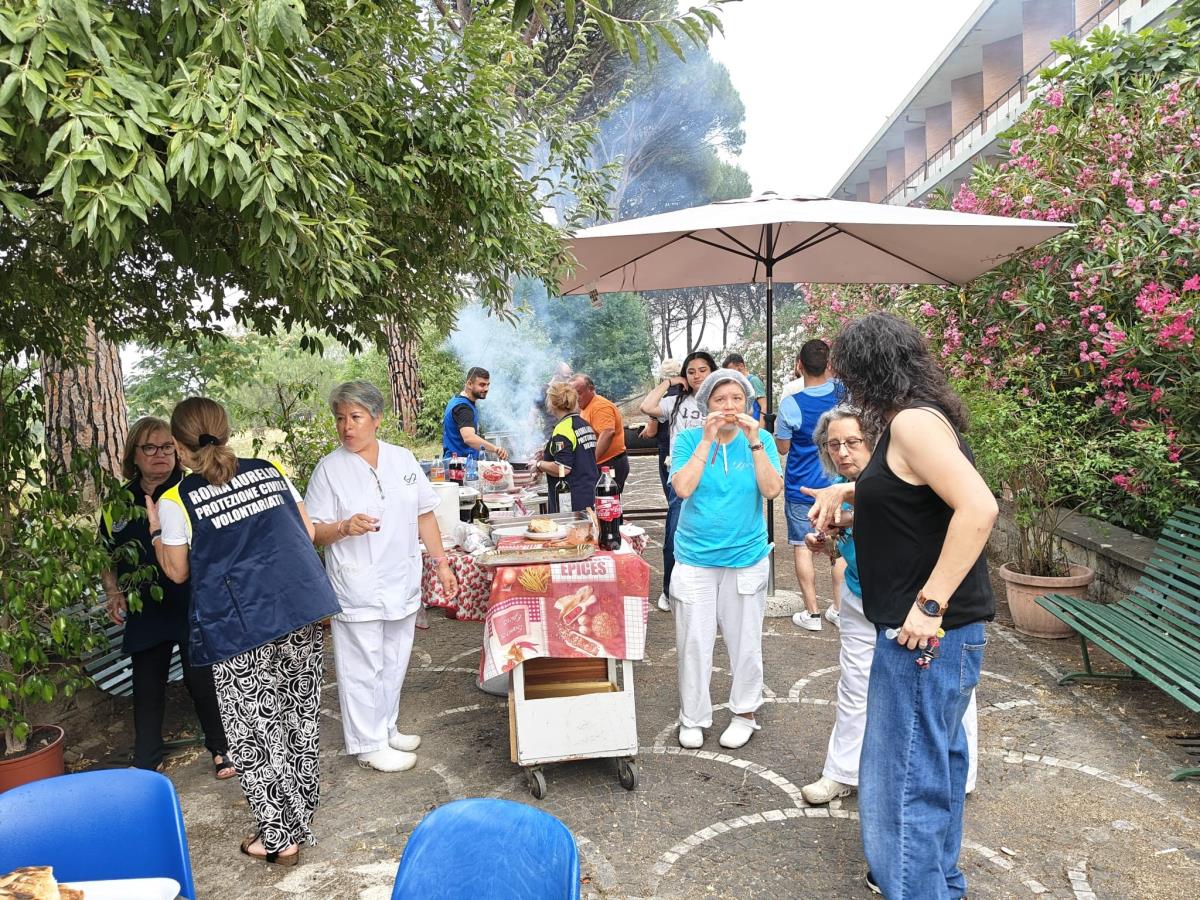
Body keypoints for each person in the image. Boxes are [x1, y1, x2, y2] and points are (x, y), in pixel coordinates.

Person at [806, 312, 998, 899]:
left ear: (866, 370)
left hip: (924, 635)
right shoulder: (914, 418)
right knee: (934, 766)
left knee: (904, 776)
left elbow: (979, 508)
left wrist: (929, 605)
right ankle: (939, 884)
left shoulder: (912, 422)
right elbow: (913, 495)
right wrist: (849, 490)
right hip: (931, 635)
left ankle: (919, 889)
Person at [149, 397, 341, 866]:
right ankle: (298, 818)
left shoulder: (176, 500)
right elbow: (306, 532)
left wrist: (156, 533)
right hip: (296, 608)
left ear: (179, 447)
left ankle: (278, 838)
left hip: (238, 626)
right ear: (227, 431)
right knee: (298, 717)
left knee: (253, 730)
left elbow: (176, 571)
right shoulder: (270, 471)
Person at [798, 405, 978, 808]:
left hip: (918, 606)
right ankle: (842, 772)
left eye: (853, 442)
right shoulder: (839, 485)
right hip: (861, 597)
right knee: (854, 684)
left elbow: (901, 513)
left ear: (875, 442)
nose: (843, 452)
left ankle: (958, 778)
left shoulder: (907, 475)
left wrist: (849, 511)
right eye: (834, 445)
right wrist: (828, 539)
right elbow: (852, 537)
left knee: (946, 689)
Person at [305, 383, 458, 773]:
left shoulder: (402, 459)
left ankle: (386, 727)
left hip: (400, 577)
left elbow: (424, 514)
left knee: (394, 659)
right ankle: (368, 745)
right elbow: (313, 531)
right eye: (340, 418)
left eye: (355, 417)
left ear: (376, 418)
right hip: (357, 584)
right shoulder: (329, 470)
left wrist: (441, 563)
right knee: (361, 666)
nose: (346, 427)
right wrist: (343, 527)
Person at [99, 417, 233, 780]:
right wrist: (113, 592)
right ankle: (148, 758)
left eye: (167, 447)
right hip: (146, 609)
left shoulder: (191, 489)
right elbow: (106, 553)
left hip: (192, 603)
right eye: (150, 447)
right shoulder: (118, 502)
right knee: (146, 685)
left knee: (201, 680)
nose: (160, 455)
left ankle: (222, 748)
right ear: (134, 454)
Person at [669, 369, 783, 750]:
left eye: (737, 399)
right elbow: (683, 488)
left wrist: (755, 442)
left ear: (747, 403)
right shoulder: (688, 439)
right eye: (720, 400)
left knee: (746, 642)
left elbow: (772, 490)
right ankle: (693, 717)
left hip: (746, 556)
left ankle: (745, 713)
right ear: (706, 405)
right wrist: (707, 439)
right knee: (694, 642)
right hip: (695, 557)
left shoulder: (761, 440)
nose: (729, 406)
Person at [639, 351, 717, 612]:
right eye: (691, 371)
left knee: (709, 531)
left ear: (712, 372)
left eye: (703, 370)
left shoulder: (718, 402)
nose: (697, 376)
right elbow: (646, 406)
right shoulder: (676, 402)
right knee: (674, 531)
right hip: (681, 475)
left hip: (712, 475)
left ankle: (707, 589)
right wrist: (669, 382)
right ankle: (669, 589)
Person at [774, 339, 843, 632]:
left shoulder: (791, 404)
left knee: (803, 546)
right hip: (839, 484)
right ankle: (839, 610)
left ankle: (812, 613)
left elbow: (782, 447)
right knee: (839, 545)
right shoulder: (844, 395)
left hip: (801, 487)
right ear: (829, 364)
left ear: (799, 365)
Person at [535, 381, 599, 512]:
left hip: (570, 500)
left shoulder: (563, 429)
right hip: (590, 493)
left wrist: (539, 465)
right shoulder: (585, 424)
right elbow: (579, 454)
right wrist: (549, 452)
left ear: (551, 403)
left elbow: (563, 468)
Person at [572, 374, 628, 493]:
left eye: (579, 393)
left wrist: (590, 461)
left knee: (607, 502)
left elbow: (608, 432)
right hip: (601, 464)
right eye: (573, 394)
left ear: (591, 389)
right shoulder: (586, 407)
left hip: (609, 464)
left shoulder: (600, 406)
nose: (576, 398)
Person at [442, 367, 508, 461]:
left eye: (488, 385)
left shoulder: (457, 400)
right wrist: (495, 449)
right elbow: (469, 438)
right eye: (482, 385)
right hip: (460, 465)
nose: (486, 389)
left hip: (456, 461)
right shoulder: (463, 408)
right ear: (469, 384)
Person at [640, 358, 682, 500]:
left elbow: (652, 431)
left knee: (672, 492)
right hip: (687, 448)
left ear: (663, 378)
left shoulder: (661, 398)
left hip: (668, 449)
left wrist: (648, 427)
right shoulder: (687, 393)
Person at [721, 353, 766, 426]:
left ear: (741, 366)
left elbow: (764, 406)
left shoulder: (753, 380)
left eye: (731, 371)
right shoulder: (737, 383)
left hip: (755, 424)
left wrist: (760, 428)